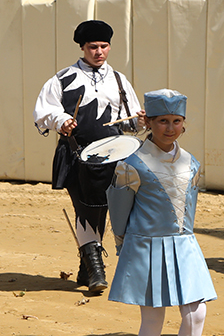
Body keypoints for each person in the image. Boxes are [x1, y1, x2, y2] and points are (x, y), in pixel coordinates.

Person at [106, 89, 213, 336]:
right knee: (153, 317)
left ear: (184, 124)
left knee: (197, 312)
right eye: (162, 121)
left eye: (176, 121)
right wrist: (123, 246)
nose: (170, 128)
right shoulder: (132, 164)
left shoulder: (192, 163)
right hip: (146, 246)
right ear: (149, 123)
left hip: (184, 244)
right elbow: (119, 211)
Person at [33, 20, 142, 295]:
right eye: (93, 47)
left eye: (104, 46)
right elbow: (44, 112)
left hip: (114, 156)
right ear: (82, 47)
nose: (99, 52)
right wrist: (62, 121)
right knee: (85, 209)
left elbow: (130, 122)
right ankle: (96, 269)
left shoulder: (119, 80)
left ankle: (85, 265)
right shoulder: (62, 78)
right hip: (76, 153)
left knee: (104, 209)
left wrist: (141, 121)